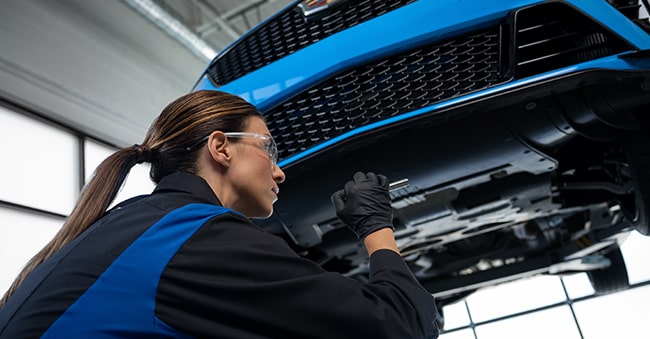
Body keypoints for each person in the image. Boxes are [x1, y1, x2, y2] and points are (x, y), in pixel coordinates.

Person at [0, 90, 438, 338]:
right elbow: (396, 328)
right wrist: (376, 227)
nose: (280, 171)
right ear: (221, 147)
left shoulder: (138, 224)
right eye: (270, 149)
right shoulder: (194, 237)